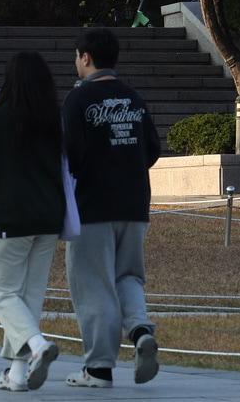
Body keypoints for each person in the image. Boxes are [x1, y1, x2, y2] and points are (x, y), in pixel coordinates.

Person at [61, 27, 162, 388]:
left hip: (92, 205)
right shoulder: (133, 98)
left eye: (76, 56)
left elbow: (70, 153)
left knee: (94, 283)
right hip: (135, 203)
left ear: (85, 57)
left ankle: (99, 368)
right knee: (128, 275)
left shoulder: (78, 101)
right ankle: (139, 331)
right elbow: (152, 148)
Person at [0, 51, 64, 392]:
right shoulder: (55, 120)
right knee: (29, 296)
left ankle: (37, 345)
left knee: (1, 290)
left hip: (9, 217)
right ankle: (17, 376)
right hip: (49, 218)